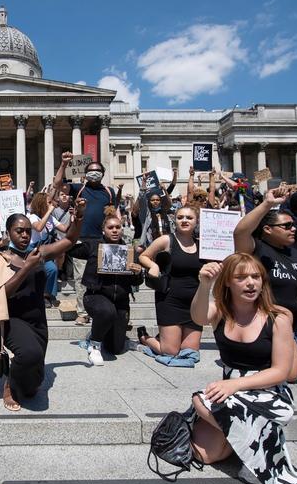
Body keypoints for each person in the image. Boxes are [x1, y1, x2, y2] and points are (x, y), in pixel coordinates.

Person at [188, 254, 297, 484]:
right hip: (229, 392)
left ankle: (254, 454)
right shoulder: (221, 312)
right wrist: (204, 285)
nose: (250, 283)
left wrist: (234, 384)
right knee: (205, 454)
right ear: (228, 283)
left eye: (255, 277)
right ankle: (249, 442)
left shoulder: (278, 317)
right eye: (241, 277)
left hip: (268, 391)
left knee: (202, 402)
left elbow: (280, 372)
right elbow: (198, 317)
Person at [0, 199, 86, 411]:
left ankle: (22, 383)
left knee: (35, 381)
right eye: (19, 231)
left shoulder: (39, 253)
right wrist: (26, 268)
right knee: (30, 354)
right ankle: (10, 385)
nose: (25, 235)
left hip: (37, 320)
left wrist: (79, 217)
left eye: (27, 231)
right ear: (8, 233)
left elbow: (70, 240)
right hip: (12, 319)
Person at [234, 186, 297, 365]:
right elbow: (240, 232)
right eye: (286, 226)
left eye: (294, 226)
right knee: (280, 371)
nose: (293, 229)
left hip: (289, 326)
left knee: (292, 374)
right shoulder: (256, 249)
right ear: (267, 229)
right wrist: (267, 204)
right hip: (259, 322)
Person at [68, 213, 143, 365]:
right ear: (103, 231)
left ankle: (101, 332)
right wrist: (75, 225)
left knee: (116, 348)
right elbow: (69, 248)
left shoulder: (129, 251)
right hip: (96, 296)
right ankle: (94, 345)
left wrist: (138, 272)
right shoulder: (93, 246)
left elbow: (138, 281)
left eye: (118, 227)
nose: (115, 230)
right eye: (110, 228)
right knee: (106, 311)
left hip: (120, 301)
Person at [53, 152, 119, 325]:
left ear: (103, 173)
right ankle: (82, 312)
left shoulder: (109, 192)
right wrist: (64, 164)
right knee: (82, 279)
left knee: (104, 278)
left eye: (97, 170)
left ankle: (103, 309)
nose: (94, 172)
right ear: (85, 173)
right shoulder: (78, 188)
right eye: (90, 170)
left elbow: (112, 215)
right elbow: (57, 184)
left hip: (103, 241)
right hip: (82, 239)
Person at [138, 206, 203, 359]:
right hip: (169, 300)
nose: (184, 220)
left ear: (196, 221)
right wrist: (153, 265)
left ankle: (166, 337)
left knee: (190, 353)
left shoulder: (202, 245)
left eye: (189, 218)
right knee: (171, 352)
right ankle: (145, 338)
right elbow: (143, 256)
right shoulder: (167, 240)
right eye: (180, 217)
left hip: (194, 303)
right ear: (175, 220)